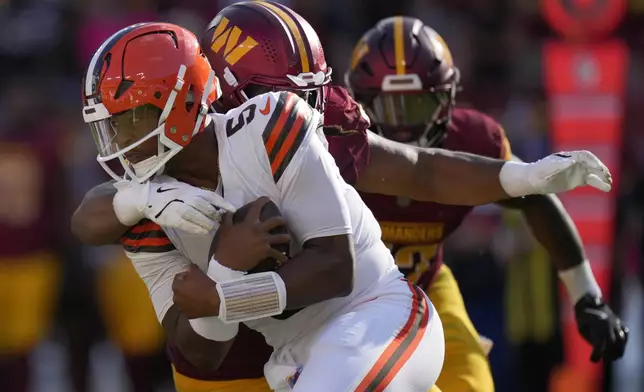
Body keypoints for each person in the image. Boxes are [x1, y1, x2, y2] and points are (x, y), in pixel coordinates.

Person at [71, 3, 615, 392]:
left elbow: (416, 176)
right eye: (282, 94)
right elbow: (96, 224)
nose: (308, 109)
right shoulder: (150, 196)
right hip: (273, 354)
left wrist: (522, 178)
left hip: (373, 307)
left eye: (309, 93)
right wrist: (149, 209)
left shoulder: (284, 120)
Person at [80, 21, 446, 392]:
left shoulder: (268, 125)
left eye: (129, 119)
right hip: (293, 360)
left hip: (376, 316)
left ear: (184, 101)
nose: (120, 140)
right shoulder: (151, 209)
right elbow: (202, 353)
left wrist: (223, 297)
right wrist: (224, 269)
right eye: (111, 126)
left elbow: (335, 268)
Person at [344, 16, 629, 392]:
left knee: (473, 385)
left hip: (427, 286)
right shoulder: (334, 146)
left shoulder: (474, 139)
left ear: (447, 98)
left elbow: (534, 202)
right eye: (389, 109)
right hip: (345, 299)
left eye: (417, 107)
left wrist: (586, 295)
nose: (403, 131)